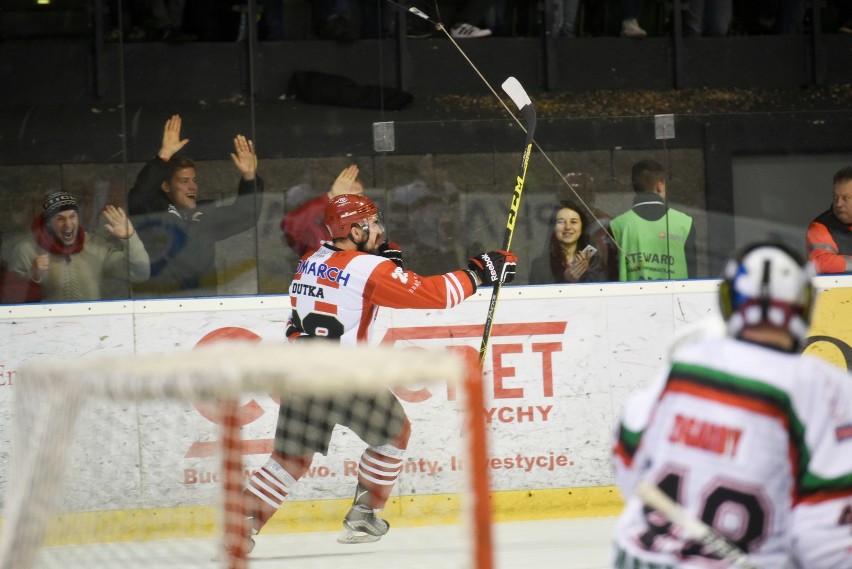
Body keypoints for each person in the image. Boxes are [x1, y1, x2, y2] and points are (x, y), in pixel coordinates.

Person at [241, 194, 517, 548]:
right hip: (344, 377)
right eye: (372, 223)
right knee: (396, 434)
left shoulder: (311, 259)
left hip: (300, 374)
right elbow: (434, 295)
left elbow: (334, 297)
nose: (380, 229)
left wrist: (380, 265)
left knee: (289, 459)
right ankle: (364, 515)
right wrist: (480, 272)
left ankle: (241, 525)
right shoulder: (367, 269)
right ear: (354, 230)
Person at [611, 241, 852, 568]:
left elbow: (626, 456)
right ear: (805, 304)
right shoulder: (822, 387)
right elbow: (824, 534)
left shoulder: (689, 361)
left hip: (637, 557)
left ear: (728, 301)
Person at [127, 114, 264, 297]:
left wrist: (249, 178)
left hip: (203, 309)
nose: (193, 186)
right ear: (166, 186)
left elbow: (246, 215)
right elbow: (138, 198)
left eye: (194, 180)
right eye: (184, 181)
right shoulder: (155, 212)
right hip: (161, 308)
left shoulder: (206, 213)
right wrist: (163, 156)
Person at [7, 191, 150, 302]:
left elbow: (140, 273)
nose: (68, 224)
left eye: (72, 216)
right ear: (49, 223)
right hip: (46, 329)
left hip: (92, 328)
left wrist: (130, 238)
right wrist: (32, 275)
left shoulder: (97, 246)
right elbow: (10, 300)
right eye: (60, 218)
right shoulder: (27, 250)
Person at [610, 159, 696, 281]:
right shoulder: (684, 223)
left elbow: (611, 275)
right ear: (660, 185)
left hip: (633, 299)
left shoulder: (618, 225)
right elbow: (693, 275)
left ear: (634, 187)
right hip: (676, 299)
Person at [280, 164, 364, 258]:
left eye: (359, 196)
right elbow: (290, 227)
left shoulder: (367, 228)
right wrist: (330, 196)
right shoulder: (316, 230)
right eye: (346, 195)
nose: (354, 201)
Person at [529, 199, 605, 284]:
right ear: (553, 228)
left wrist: (585, 275)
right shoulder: (539, 265)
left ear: (581, 228)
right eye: (561, 222)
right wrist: (566, 280)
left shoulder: (596, 263)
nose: (568, 227)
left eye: (573, 222)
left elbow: (601, 293)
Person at [806, 166, 852, 274]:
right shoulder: (820, 227)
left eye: (845, 198)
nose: (839, 204)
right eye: (836, 197)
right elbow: (821, 263)